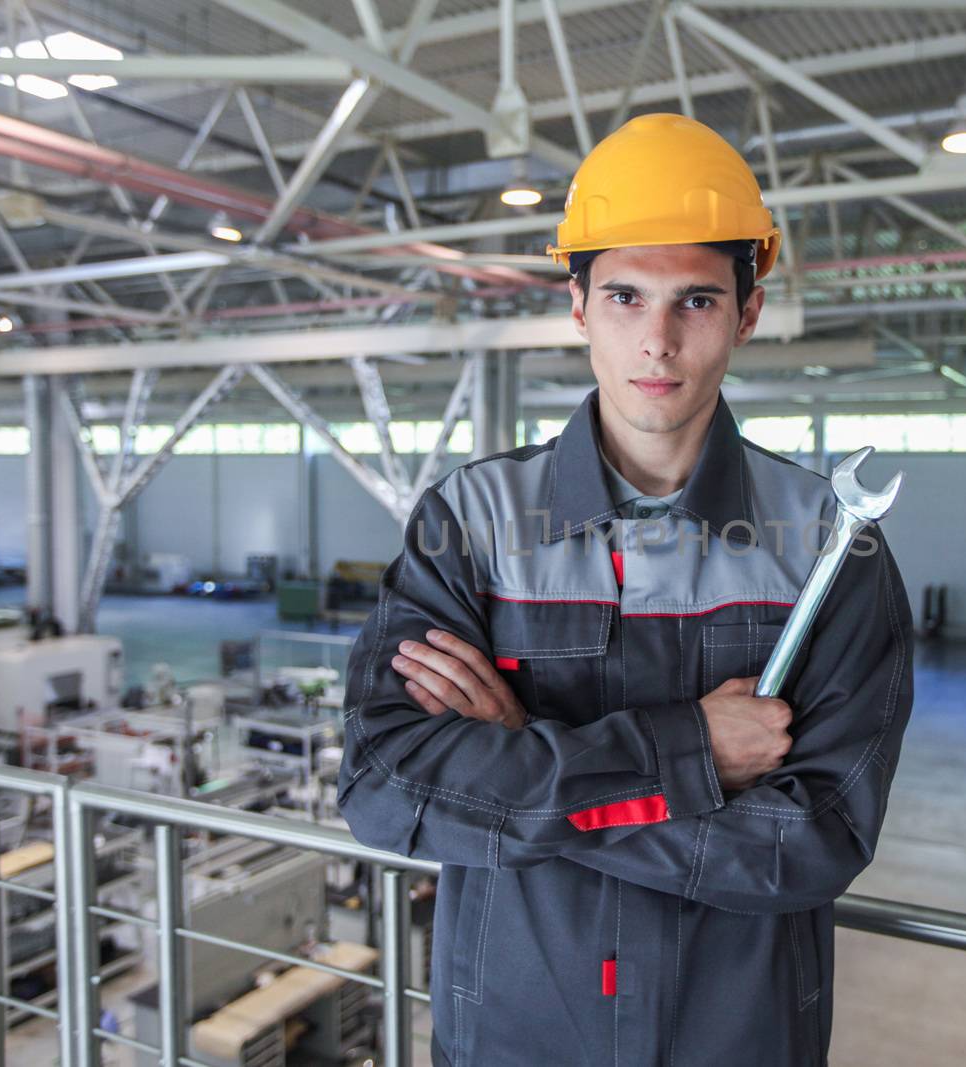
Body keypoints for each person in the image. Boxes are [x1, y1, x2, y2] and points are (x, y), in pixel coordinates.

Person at [338, 113, 915, 1067]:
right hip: (514, 1040)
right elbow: (386, 785)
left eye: (695, 300)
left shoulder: (829, 546)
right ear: (577, 305)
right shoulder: (472, 522)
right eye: (624, 296)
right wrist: (686, 753)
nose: (657, 340)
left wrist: (523, 765)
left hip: (739, 1043)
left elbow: (809, 841)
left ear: (748, 310)